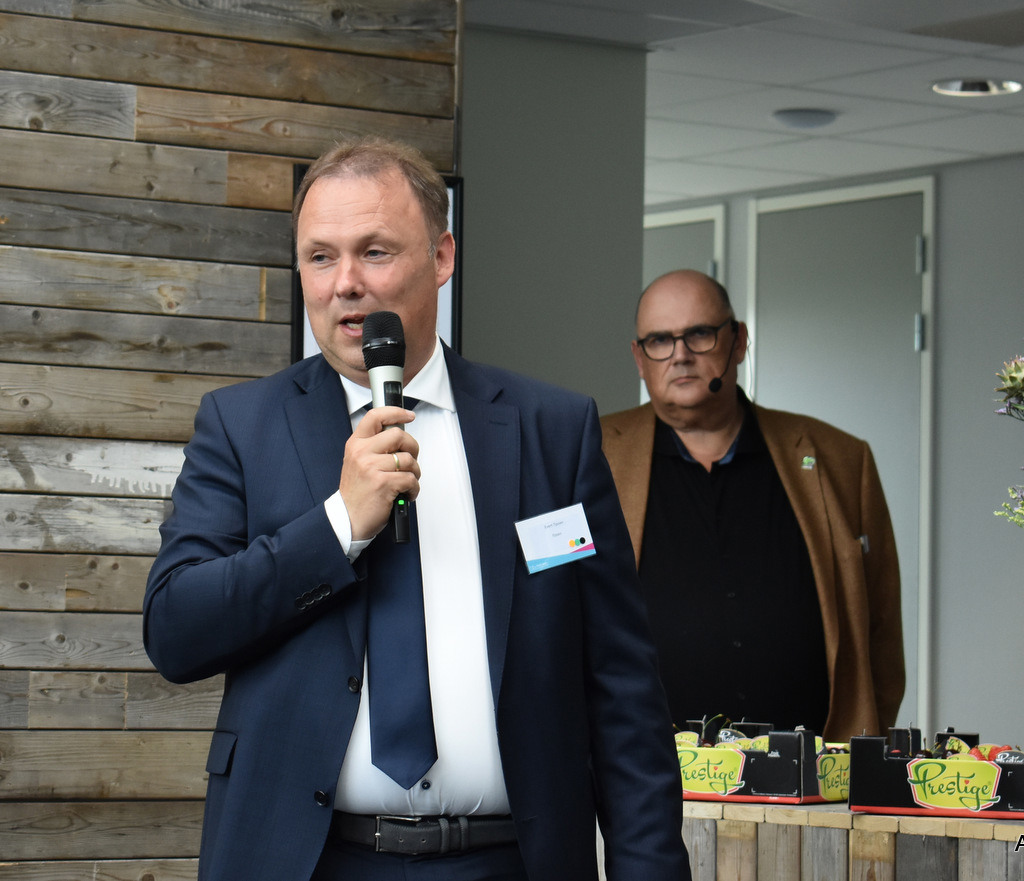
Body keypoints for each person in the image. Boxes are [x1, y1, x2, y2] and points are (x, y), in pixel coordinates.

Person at [144, 137, 690, 881]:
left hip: (511, 863)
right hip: (310, 864)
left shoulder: (550, 432)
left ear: (441, 257)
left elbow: (622, 688)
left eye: (374, 252)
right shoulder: (241, 427)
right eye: (320, 257)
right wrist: (339, 525)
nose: (345, 284)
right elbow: (176, 631)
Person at [601, 269, 904, 742]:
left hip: (813, 770)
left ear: (739, 341)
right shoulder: (591, 457)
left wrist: (863, 749)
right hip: (643, 770)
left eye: (700, 334)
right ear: (639, 358)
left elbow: (882, 632)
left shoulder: (840, 460)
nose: (680, 355)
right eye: (659, 340)